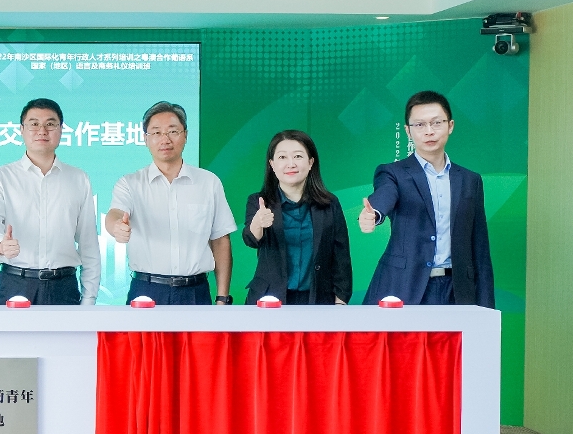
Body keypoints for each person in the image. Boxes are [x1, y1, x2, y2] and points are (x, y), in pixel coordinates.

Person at [359, 90, 494, 307]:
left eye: (436, 123)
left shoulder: (470, 180)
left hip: (457, 290)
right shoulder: (393, 173)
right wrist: (374, 214)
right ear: (408, 131)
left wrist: (486, 306)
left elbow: (480, 248)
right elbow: (385, 194)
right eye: (420, 125)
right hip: (404, 286)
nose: (429, 131)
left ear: (450, 126)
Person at [105, 101, 235, 305]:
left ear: (185, 135)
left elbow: (220, 240)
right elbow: (115, 213)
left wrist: (222, 297)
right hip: (146, 289)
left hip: (195, 291)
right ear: (145, 139)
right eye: (156, 132)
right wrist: (116, 227)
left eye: (173, 131)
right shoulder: (130, 183)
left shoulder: (209, 183)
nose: (165, 139)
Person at [0, 97, 101, 305]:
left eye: (50, 124)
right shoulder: (2, 176)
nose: (42, 131)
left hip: (64, 286)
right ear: (21, 130)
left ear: (61, 130)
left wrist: (89, 297)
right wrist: (0, 243)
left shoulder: (79, 179)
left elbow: (88, 242)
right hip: (16, 282)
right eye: (34, 124)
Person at [241, 130, 351, 305]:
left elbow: (341, 255)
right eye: (282, 157)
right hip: (269, 299)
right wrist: (258, 223)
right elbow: (250, 239)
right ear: (272, 164)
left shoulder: (330, 203)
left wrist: (340, 300)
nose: (290, 164)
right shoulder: (259, 201)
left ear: (311, 162)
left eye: (298, 156)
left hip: (318, 299)